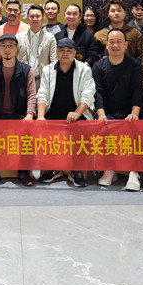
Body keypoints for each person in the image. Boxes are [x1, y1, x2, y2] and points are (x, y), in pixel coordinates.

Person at [36, 37, 96, 188]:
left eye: (69, 51)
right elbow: (42, 93)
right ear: (56, 52)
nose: (65, 53)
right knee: (43, 128)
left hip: (77, 114)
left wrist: (77, 112)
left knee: (81, 131)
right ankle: (53, 167)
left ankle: (76, 169)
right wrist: (41, 116)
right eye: (62, 50)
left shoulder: (84, 69)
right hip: (53, 112)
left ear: (75, 53)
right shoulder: (48, 69)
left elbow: (88, 94)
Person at [0, 34, 36, 187]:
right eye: (4, 46)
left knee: (28, 133)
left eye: (10, 46)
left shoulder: (26, 70)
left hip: (19, 115)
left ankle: (23, 172)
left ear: (16, 48)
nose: (7, 49)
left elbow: (31, 94)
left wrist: (29, 114)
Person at [92, 29, 143, 191]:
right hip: (108, 110)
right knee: (103, 127)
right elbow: (98, 92)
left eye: (119, 42)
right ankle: (109, 169)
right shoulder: (98, 66)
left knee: (135, 127)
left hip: (130, 109)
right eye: (112, 42)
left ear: (126, 44)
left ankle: (134, 172)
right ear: (107, 45)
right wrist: (101, 114)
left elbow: (137, 90)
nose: (115, 45)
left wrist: (135, 113)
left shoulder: (135, 65)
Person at [94, 0, 143, 75]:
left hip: (130, 75)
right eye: (113, 11)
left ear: (125, 13)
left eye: (119, 10)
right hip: (106, 75)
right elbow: (95, 58)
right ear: (108, 14)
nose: (116, 13)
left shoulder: (135, 34)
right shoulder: (99, 35)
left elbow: (141, 58)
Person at [17, 4, 58, 89]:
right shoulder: (19, 37)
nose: (35, 19)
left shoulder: (50, 37)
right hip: (23, 80)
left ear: (43, 18)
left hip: (44, 81)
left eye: (38, 16)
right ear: (27, 19)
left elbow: (54, 61)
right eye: (32, 16)